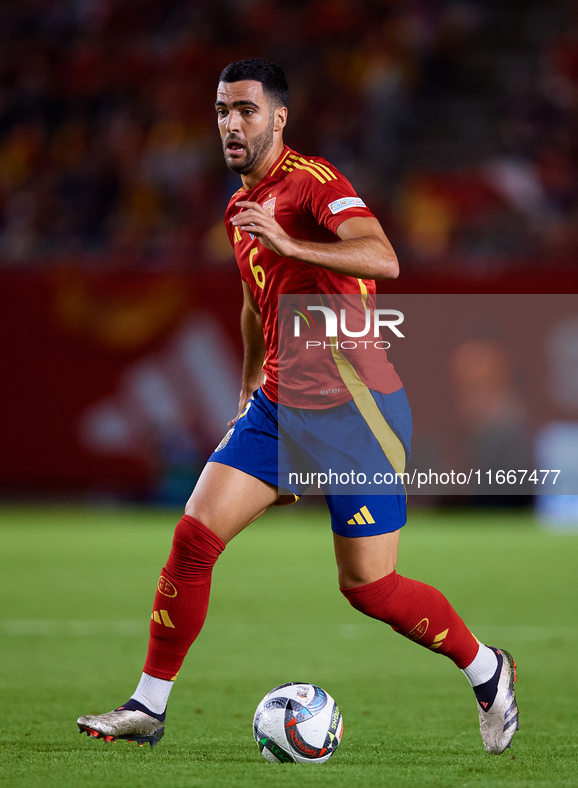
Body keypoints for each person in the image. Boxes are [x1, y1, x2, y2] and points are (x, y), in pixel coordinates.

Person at [77, 58, 518, 755]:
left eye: (245, 110)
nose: (230, 123)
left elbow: (384, 258)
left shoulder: (315, 185)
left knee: (369, 588)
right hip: (279, 408)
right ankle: (148, 706)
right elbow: (257, 300)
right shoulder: (237, 208)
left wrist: (289, 239)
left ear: (277, 119)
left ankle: (486, 669)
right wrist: (248, 387)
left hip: (357, 412)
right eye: (222, 110)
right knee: (194, 538)